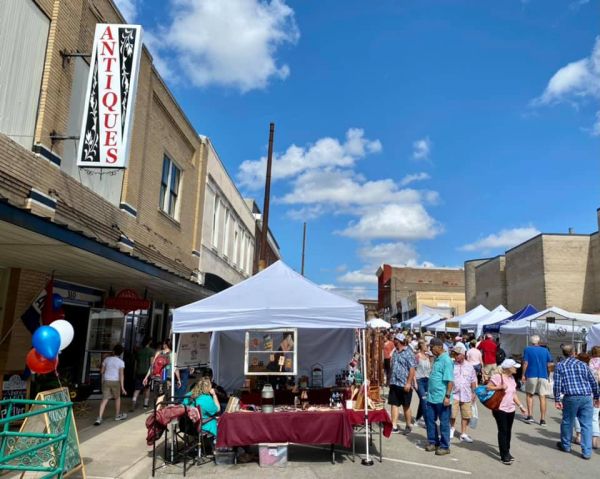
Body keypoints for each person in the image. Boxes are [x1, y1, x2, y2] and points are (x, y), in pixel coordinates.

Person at [554, 344, 600, 460]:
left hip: (571, 397)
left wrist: (557, 399)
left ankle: (566, 445)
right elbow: (593, 381)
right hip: (586, 396)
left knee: (567, 422)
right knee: (587, 424)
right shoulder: (583, 365)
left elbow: (557, 384)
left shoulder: (560, 365)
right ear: (574, 353)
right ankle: (587, 452)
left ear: (564, 354)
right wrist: (596, 396)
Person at [487, 359, 527, 465]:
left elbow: (513, 394)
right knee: (503, 431)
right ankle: (503, 455)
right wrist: (499, 387)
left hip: (511, 409)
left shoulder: (512, 378)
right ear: (508, 368)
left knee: (508, 431)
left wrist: (521, 406)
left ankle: (507, 451)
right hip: (500, 408)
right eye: (514, 367)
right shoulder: (497, 377)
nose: (516, 368)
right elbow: (488, 387)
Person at [424, 337, 454, 455]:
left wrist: (447, 396)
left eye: (432, 347)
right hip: (432, 397)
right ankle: (433, 441)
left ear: (439, 347)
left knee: (444, 423)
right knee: (430, 420)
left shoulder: (446, 360)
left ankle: (445, 446)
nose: (430, 349)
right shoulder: (437, 359)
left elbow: (450, 381)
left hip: (441, 398)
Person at [388, 333, 417, 435]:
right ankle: (394, 425)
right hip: (394, 382)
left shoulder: (409, 353)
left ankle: (408, 425)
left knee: (406, 406)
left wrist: (409, 383)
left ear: (399, 341)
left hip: (404, 383)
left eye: (395, 339)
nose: (393, 341)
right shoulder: (395, 352)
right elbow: (392, 366)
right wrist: (389, 380)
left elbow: (412, 369)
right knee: (394, 404)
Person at [522, 335, 554, 426]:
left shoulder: (527, 349)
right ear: (539, 341)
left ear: (531, 341)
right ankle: (542, 419)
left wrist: (523, 374)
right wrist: (548, 375)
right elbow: (550, 364)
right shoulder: (545, 350)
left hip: (531, 374)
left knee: (529, 395)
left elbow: (525, 363)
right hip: (543, 375)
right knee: (542, 396)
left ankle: (530, 416)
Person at [450, 345, 477, 443]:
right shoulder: (452, 365)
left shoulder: (470, 366)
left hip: (466, 394)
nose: (455, 356)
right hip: (454, 393)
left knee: (466, 415)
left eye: (458, 354)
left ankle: (463, 433)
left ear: (463, 354)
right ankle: (451, 429)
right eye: (454, 354)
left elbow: (473, 380)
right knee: (452, 414)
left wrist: (474, 392)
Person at [95, 344, 127, 425]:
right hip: (115, 382)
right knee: (117, 398)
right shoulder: (121, 362)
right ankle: (117, 415)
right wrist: (122, 387)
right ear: (121, 353)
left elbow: (101, 372)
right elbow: (121, 375)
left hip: (106, 381)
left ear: (113, 351)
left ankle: (99, 418)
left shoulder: (106, 360)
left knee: (104, 399)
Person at [131, 337, 154, 411]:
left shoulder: (139, 351)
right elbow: (152, 364)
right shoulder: (151, 351)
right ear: (150, 342)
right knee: (147, 388)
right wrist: (152, 373)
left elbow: (136, 363)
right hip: (147, 372)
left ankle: (133, 403)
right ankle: (145, 404)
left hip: (139, 371)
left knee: (137, 389)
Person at [413, 339, 432, 427]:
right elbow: (413, 369)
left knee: (423, 400)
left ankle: (417, 419)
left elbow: (430, 368)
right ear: (421, 347)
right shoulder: (417, 356)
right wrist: (414, 382)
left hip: (427, 380)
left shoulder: (428, 356)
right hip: (419, 380)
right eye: (425, 346)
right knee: (424, 400)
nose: (427, 347)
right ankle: (427, 420)